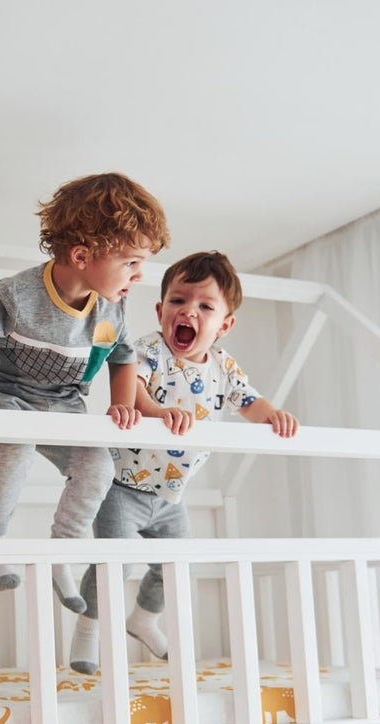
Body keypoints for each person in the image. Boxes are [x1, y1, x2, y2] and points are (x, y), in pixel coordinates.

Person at [0, 173, 169, 613]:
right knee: (15, 448)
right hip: (3, 389)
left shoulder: (109, 307)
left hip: (62, 402)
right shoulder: (20, 295)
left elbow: (121, 356)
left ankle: (62, 553)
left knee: (98, 463)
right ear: (81, 255)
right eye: (132, 263)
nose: (139, 276)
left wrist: (122, 402)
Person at [68, 251, 298, 672]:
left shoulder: (224, 366)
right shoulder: (150, 349)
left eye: (205, 306)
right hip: (123, 486)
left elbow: (249, 401)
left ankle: (143, 619)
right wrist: (156, 412)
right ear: (160, 310)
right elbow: (130, 385)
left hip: (171, 494)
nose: (188, 311)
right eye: (178, 301)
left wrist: (273, 415)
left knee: (175, 566)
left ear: (224, 325)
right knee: (113, 566)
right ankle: (88, 630)